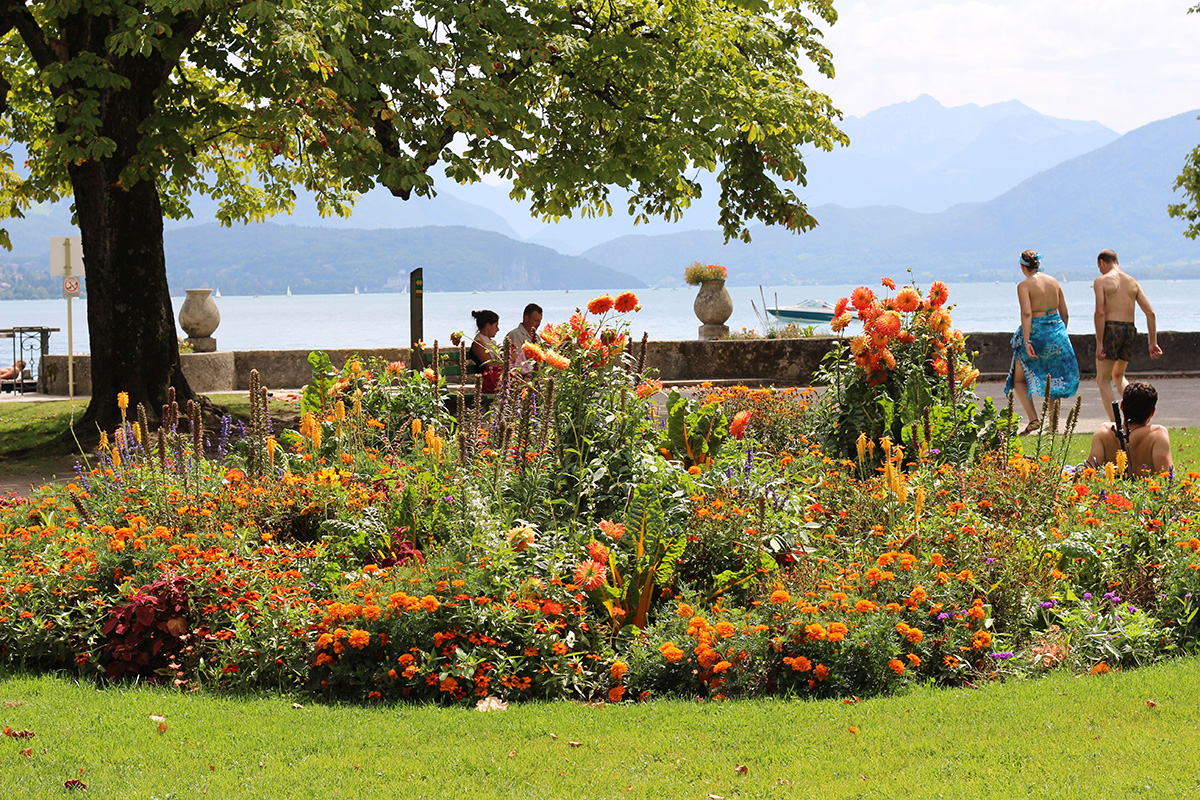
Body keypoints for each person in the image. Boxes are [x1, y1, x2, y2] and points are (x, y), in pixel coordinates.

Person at [1004, 250, 1079, 434]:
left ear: (1023, 266)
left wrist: (1027, 340)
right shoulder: (1054, 281)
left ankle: (1034, 419)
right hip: (1056, 330)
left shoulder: (1024, 286)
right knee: (1052, 380)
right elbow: (1065, 312)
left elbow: (1027, 313)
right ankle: (1053, 427)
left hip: (1036, 332)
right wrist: (1061, 333)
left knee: (1019, 380)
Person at [1093, 249, 1161, 422]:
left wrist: (1100, 342)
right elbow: (1150, 313)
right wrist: (1152, 343)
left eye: (1099, 266)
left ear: (1102, 262)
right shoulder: (1133, 282)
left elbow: (1100, 313)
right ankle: (1139, 417)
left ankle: (1116, 424)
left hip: (1111, 329)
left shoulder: (1101, 281)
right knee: (1118, 375)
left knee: (1103, 379)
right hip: (1129, 329)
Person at [1086, 381, 1172, 477]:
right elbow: (1168, 478)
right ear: (1152, 412)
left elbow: (1088, 473)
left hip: (1114, 491)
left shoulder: (1104, 432)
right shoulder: (1157, 434)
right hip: (1146, 490)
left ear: (1121, 406)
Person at [469, 309, 503, 393]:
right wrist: (506, 363)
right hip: (489, 381)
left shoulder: (489, 341)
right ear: (488, 325)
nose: (498, 329)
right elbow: (489, 365)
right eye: (496, 326)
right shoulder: (478, 343)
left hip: (496, 378)